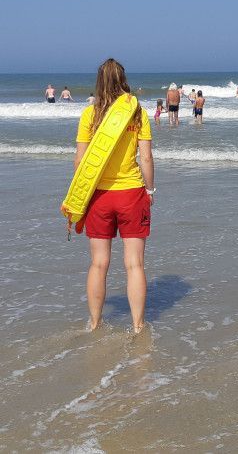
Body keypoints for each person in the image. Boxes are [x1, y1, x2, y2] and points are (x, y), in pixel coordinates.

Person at [74, 58, 154, 333]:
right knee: (134, 264)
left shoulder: (90, 114)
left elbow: (80, 161)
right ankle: (138, 326)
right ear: (123, 79)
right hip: (131, 193)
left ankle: (95, 323)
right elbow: (145, 157)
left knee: (98, 263)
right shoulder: (136, 113)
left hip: (98, 196)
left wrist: (78, 197)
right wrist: (150, 189)